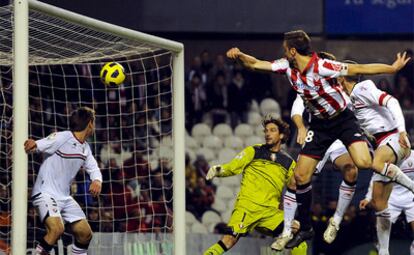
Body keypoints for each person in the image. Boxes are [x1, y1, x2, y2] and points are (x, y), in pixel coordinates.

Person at [226, 29, 413, 248]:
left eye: (285, 49)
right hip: (320, 126)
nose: (283, 52)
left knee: (364, 163)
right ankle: (304, 228)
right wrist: (239, 55)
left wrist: (391, 69)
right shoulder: (287, 67)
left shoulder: (322, 66)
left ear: (293, 50)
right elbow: (257, 64)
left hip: (343, 120)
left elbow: (358, 68)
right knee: (300, 175)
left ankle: (404, 186)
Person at [202, 114, 307, 255]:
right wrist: (218, 170)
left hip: (270, 213)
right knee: (228, 240)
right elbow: (233, 167)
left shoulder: (288, 162)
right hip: (247, 208)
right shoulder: (254, 151)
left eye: (272, 130)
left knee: (298, 237)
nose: (267, 134)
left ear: (281, 135)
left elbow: (293, 187)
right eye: (266, 131)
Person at [272, 92, 359, 250]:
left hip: (338, 140)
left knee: (351, 170)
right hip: (318, 136)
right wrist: (300, 127)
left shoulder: (344, 91)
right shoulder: (308, 86)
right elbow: (296, 109)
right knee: (294, 181)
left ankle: (336, 220)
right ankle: (286, 231)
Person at [338, 68, 411, 255]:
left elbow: (392, 101)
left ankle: (412, 186)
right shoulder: (351, 101)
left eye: (338, 78)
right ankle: (384, 251)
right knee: (379, 204)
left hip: (394, 138)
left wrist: (402, 131)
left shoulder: (363, 87)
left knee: (375, 164)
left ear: (344, 79)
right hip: (383, 145)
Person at [25, 107, 102, 255]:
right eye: (94, 122)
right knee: (56, 229)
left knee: (85, 234)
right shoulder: (63, 137)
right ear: (90, 124)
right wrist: (34, 144)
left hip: (64, 197)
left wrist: (97, 181)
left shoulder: (85, 148)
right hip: (45, 192)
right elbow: (43, 143)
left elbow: (93, 168)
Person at [360, 150, 414, 255]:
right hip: (391, 198)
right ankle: (381, 249)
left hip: (411, 198)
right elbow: (376, 178)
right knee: (382, 232)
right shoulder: (390, 156)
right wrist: (368, 197)